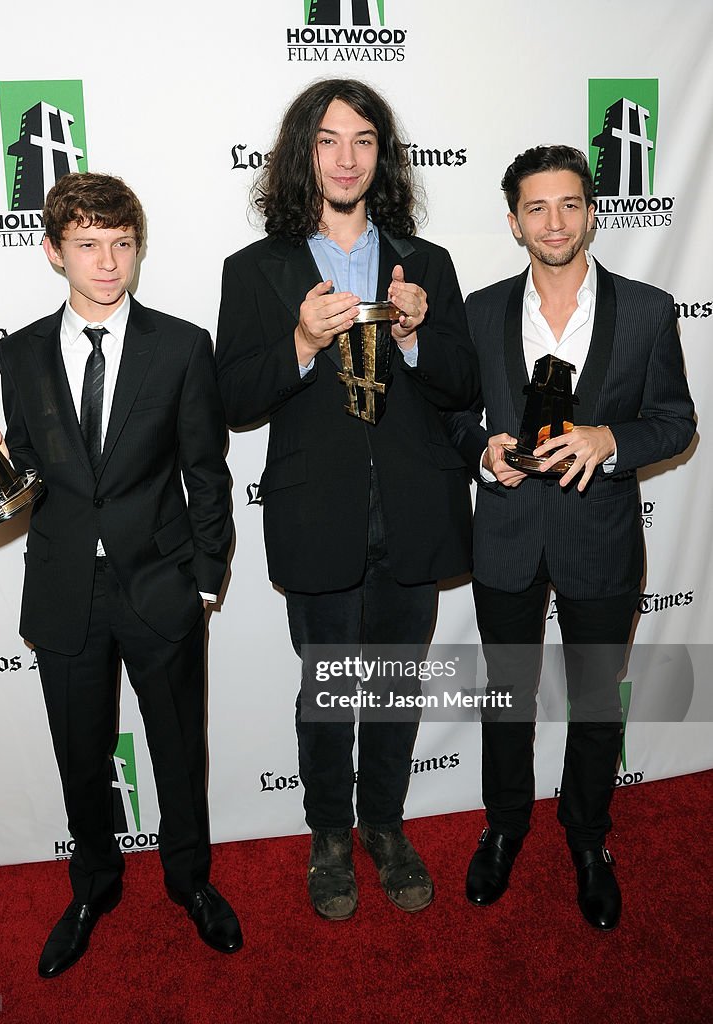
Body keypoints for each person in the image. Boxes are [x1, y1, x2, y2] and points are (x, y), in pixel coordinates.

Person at [0, 172, 242, 976]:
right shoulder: (21, 353)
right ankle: (93, 887)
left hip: (161, 587)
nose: (107, 262)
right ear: (53, 252)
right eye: (87, 245)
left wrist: (206, 581)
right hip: (66, 589)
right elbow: (36, 474)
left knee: (180, 751)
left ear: (137, 248)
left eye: (121, 244)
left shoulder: (182, 346)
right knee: (81, 754)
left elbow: (207, 474)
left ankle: (191, 882)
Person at [215, 79, 479, 920]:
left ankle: (386, 827)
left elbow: (463, 384)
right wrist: (299, 340)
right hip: (317, 513)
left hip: (415, 510)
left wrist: (413, 336)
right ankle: (328, 833)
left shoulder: (426, 262)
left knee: (396, 684)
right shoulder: (256, 269)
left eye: (364, 140)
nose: (346, 158)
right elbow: (232, 397)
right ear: (304, 152)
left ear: (382, 155)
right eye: (328, 140)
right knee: (329, 688)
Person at [445, 145, 695, 929]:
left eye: (569, 204)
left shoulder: (649, 309)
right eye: (536, 208)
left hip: (602, 541)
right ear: (514, 220)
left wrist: (608, 441)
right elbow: (451, 413)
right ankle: (505, 825)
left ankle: (588, 838)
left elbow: (675, 422)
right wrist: (481, 452)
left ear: (591, 211)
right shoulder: (480, 311)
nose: (554, 221)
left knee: (593, 700)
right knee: (506, 697)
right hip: (509, 536)